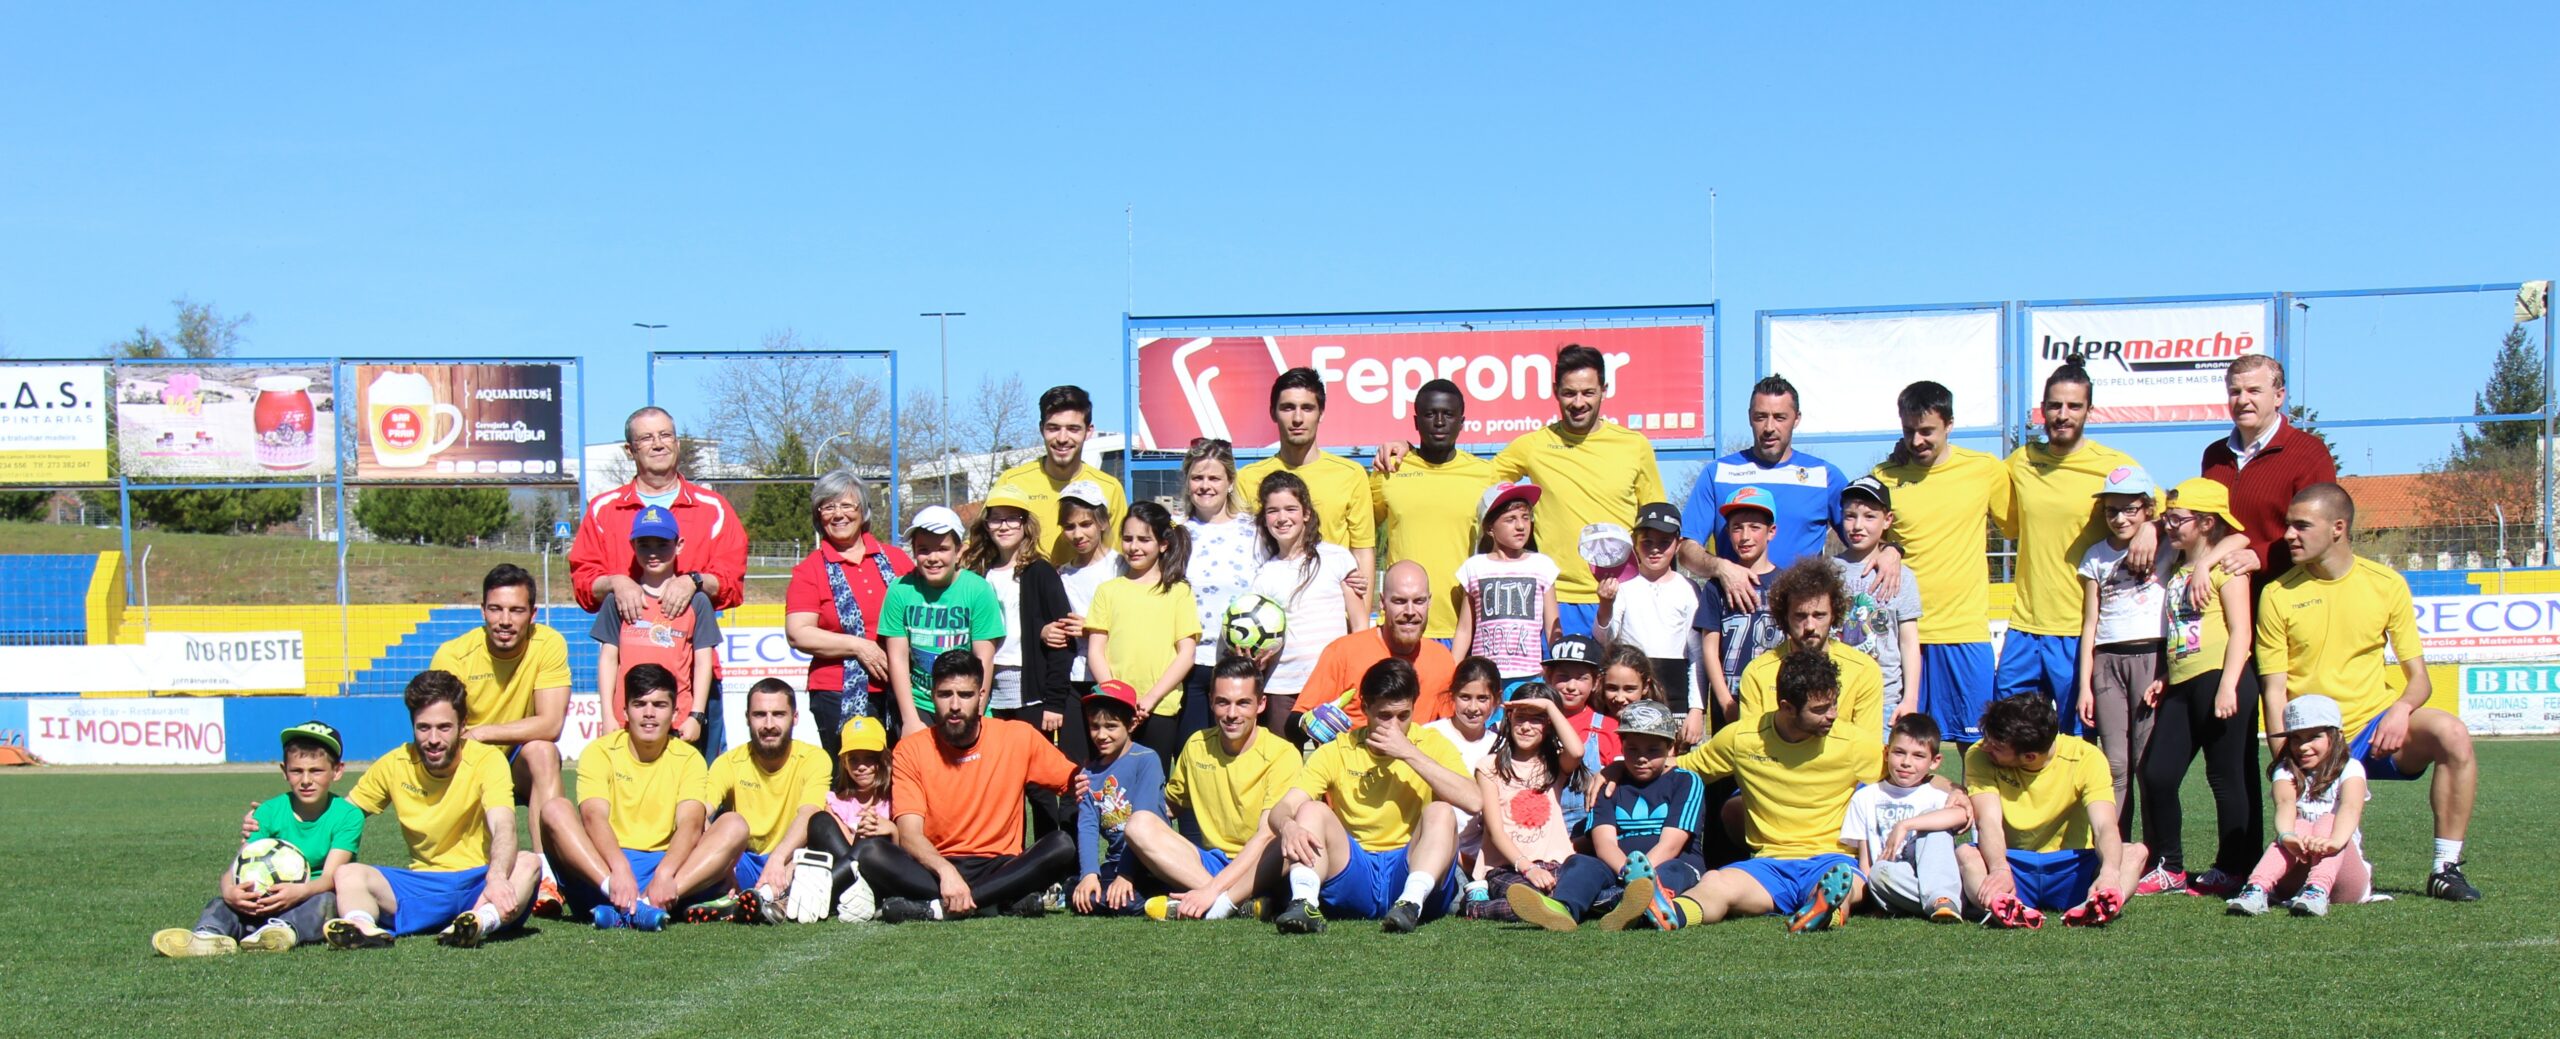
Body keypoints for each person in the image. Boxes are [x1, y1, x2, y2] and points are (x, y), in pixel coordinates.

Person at [2255, 483, 2480, 901]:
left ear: (2338, 528)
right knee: (2307, 852)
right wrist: (2284, 761)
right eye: (2288, 525)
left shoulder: (2386, 583)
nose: (2288, 535)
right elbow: (2274, 690)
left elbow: (2420, 680)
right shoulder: (2276, 593)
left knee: (2452, 734)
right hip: (2314, 739)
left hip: (2374, 728)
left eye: (2301, 526)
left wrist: (2401, 710)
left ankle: (2445, 869)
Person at [1374, 345, 1665, 637]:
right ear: (1555, 391)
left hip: (1624, 592)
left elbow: (1657, 527)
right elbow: (1461, 477)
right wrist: (1409, 448)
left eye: (1588, 392)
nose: (1578, 402)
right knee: (1560, 684)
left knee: (1627, 683)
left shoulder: (1635, 446)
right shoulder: (1532, 446)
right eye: (1569, 393)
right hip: (1555, 599)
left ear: (1604, 390)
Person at [1647, 652, 1881, 932]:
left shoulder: (1853, 742)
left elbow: (1913, 773)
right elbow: (1683, 769)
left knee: (1842, 887)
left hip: (1832, 860)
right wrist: (1614, 770)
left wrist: (1950, 791)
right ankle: (1673, 913)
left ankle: (1823, 911)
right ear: (1787, 707)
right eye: (1820, 709)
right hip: (1767, 867)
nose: (1832, 715)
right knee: (1715, 883)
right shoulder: (1743, 738)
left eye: (1833, 704)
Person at [856, 651, 1084, 922]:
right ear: (932, 695)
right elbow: (909, 835)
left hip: (1001, 866)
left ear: (981, 696)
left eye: (965, 695)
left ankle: (938, 909)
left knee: (1061, 845)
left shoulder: (1017, 736)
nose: (955, 705)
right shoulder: (910, 749)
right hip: (935, 866)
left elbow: (1076, 781)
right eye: (945, 694)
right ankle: (996, 901)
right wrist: (946, 872)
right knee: (871, 853)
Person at [324, 671, 542, 949]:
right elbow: (342, 816)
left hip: (481, 882)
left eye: (444, 727)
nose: (433, 738)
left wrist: (497, 877)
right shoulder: (394, 764)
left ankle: (479, 921)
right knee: (348, 874)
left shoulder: (487, 760)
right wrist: (271, 821)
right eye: (423, 728)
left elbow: (503, 824)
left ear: (463, 726)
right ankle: (360, 926)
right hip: (422, 886)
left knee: (528, 863)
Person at [570, 406, 748, 748]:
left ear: (677, 442)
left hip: (693, 682)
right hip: (629, 685)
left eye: (665, 435)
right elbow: (583, 583)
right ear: (630, 450)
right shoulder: (603, 510)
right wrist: (615, 581)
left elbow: (732, 583)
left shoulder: (713, 508)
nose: (658, 444)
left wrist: (693, 580)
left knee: (699, 788)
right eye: (646, 437)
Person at [1266, 658, 1481, 934]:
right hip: (1356, 871)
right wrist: (1288, 827)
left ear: (1414, 707)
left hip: (1409, 867)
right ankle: (1304, 903)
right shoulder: (1338, 750)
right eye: (1384, 716)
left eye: (1403, 716)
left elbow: (1474, 801)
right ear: (1365, 708)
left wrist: (1408, 752)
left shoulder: (1429, 744)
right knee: (1309, 811)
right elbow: (1283, 807)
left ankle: (1410, 904)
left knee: (1441, 811)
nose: (1394, 726)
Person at [2135, 478, 2262, 897]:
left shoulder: (2231, 567)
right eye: (2167, 517)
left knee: (2226, 778)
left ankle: (2234, 868)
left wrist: (2228, 686)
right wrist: (2165, 676)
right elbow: (2183, 628)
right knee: (2156, 773)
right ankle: (2169, 866)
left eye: (2178, 519)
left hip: (2222, 680)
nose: (2169, 526)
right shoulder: (2179, 565)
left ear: (2207, 523)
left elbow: (2242, 632)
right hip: (2182, 682)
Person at [1871, 380, 2014, 750]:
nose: (1916, 441)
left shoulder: (1984, 470)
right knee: (1901, 750)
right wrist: (1890, 546)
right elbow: (1866, 537)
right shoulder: (1885, 476)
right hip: (1903, 636)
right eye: (1908, 431)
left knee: (1981, 749)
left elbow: (2020, 525)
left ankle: (1979, 811)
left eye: (1926, 431)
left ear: (1949, 424)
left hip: (1964, 633)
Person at [1998, 362, 2138, 736]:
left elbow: (2155, 512)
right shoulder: (2021, 462)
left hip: (2081, 628)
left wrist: (2150, 532)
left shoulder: (2113, 466)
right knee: (2011, 733)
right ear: (2042, 410)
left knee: (2080, 741)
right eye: (2055, 406)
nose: (2063, 415)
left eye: (2074, 406)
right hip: (2024, 626)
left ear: (2089, 411)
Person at [156, 722, 361, 956]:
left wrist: (299, 892)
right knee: (220, 903)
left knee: (327, 900)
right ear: (284, 771)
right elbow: (237, 865)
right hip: (261, 899)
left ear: (337, 771)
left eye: (316, 771)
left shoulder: (347, 815)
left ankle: (282, 932)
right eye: (297, 771)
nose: (305, 780)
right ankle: (207, 936)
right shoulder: (268, 811)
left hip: (307, 899)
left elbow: (329, 877)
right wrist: (229, 891)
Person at [429, 564, 570, 905]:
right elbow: (440, 731)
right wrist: (474, 745)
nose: (505, 620)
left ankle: (547, 876)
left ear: (532, 614)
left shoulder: (549, 643)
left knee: (543, 751)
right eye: (496, 609)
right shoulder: (453, 655)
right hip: (470, 763)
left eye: (516, 610)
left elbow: (550, 724)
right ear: (483, 611)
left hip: (512, 758)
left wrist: (482, 732)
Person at [541, 664, 717, 929]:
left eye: (659, 705)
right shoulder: (599, 751)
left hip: (664, 874)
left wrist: (666, 874)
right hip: (603, 868)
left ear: (675, 712)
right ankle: (629, 901)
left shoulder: (690, 758)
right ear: (624, 711)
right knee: (554, 809)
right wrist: (618, 872)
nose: (649, 714)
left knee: (733, 825)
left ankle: (638, 906)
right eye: (639, 704)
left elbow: (691, 823)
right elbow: (593, 816)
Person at [1131, 658, 1299, 922]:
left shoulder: (1282, 754)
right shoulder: (1197, 745)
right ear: (1211, 701)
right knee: (1139, 823)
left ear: (1261, 704)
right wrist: (1116, 800)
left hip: (1261, 865)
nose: (1232, 714)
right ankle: (1235, 904)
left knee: (1282, 841)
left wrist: (1212, 889)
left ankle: (1217, 899)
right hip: (1212, 864)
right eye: (1223, 702)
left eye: (1243, 703)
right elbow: (1168, 807)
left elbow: (1267, 835)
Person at [1678, 374, 1857, 611]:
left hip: (1802, 618)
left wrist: (1890, 552)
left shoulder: (1824, 476)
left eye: (1780, 417)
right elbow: (1686, 550)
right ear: (1750, 418)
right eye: (1761, 417)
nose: (1769, 428)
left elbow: (1864, 538)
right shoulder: (1718, 473)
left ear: (1797, 419)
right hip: (1739, 614)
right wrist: (1721, 568)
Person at [1962, 693, 2141, 928]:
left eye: (1996, 746)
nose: (1985, 747)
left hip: (2072, 866)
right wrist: (1998, 868)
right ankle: (2003, 904)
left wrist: (2109, 872)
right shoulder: (1978, 755)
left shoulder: (2086, 757)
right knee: (1965, 853)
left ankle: (2099, 901)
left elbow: (2105, 825)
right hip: (2013, 865)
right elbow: (1989, 821)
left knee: (2135, 853)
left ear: (2029, 757)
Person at [671, 678, 828, 924]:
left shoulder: (814, 759)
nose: (768, 724)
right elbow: (699, 813)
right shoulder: (728, 762)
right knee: (710, 832)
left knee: (818, 850)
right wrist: (724, 863)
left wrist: (777, 859)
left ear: (794, 718)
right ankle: (760, 901)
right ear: (747, 718)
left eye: (778, 714)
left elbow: (809, 813)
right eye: (759, 715)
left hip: (789, 861)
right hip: (742, 863)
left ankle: (749, 900)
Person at [785, 470, 915, 759]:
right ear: (818, 516)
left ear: (863, 511)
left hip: (903, 688)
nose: (838, 514)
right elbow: (798, 632)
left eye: (847, 505)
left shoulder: (896, 560)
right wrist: (859, 646)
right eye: (828, 507)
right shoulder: (810, 570)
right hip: (836, 691)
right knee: (852, 776)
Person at [2074, 464, 2166, 836]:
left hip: (2151, 655)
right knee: (2115, 763)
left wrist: (2153, 529)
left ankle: (2155, 853)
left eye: (2130, 509)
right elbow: (2090, 623)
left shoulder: (2165, 544)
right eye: (2112, 510)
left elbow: (2226, 535)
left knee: (2148, 762)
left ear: (2147, 509)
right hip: (2107, 661)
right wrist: (2084, 686)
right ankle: (2116, 847)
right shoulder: (2095, 555)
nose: (2120, 518)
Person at [1371, 378, 1496, 642]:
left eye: (1448, 414)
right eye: (1430, 414)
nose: (1439, 422)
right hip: (1400, 625)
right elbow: (1361, 539)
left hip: (1462, 628)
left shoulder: (1486, 475)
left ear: (1462, 422)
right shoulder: (1389, 470)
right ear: (1416, 422)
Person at [2224, 695, 2372, 917]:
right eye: (2296, 738)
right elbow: (2285, 805)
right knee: (2298, 825)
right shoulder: (2285, 770)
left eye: (2314, 737)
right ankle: (2255, 889)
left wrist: (2333, 842)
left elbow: (2350, 807)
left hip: (2343, 880)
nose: (2303, 747)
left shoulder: (2351, 768)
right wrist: (2287, 836)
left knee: (2327, 820)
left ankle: (2317, 890)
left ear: (2336, 736)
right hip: (2295, 875)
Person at [2198, 355, 2335, 593]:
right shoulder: (2214, 456)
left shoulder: (2309, 453)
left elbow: (2320, 530)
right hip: (2221, 600)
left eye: (2254, 391)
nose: (2243, 400)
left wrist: (2260, 556)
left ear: (2279, 396)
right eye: (2235, 391)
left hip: (2289, 595)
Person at [1247, 469, 1368, 729]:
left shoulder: (1337, 558)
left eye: (1290, 508)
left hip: (1333, 687)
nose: (1282, 518)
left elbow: (1360, 627)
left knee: (1333, 766)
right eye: (1272, 511)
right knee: (1285, 766)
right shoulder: (1264, 575)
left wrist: (1355, 676)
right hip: (1283, 687)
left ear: (1306, 514)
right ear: (1264, 519)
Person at [591, 506, 718, 743]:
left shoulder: (697, 601)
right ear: (633, 546)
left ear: (679, 545)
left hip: (677, 724)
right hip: (625, 722)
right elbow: (608, 659)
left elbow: (703, 662)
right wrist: (607, 715)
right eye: (644, 544)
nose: (653, 552)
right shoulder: (618, 599)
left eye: (662, 544)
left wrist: (696, 716)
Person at [1237, 367, 1377, 581]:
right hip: (1270, 606)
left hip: (1331, 608)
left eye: (1308, 408)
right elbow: (1243, 552)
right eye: (1287, 408)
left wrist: (1360, 614)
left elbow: (1363, 552)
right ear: (1272, 413)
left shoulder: (1351, 475)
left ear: (1321, 413)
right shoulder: (1247, 479)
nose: (1297, 418)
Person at [1087, 501, 1202, 761]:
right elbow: (1096, 650)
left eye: (1144, 539)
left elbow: (1186, 654)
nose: (1134, 547)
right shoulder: (1108, 591)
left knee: (1152, 787)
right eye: (1127, 539)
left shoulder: (1178, 592)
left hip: (1160, 708)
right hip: (1115, 709)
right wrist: (1115, 697)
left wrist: (1150, 699)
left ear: (1163, 544)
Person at [965, 484, 1074, 753]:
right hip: (989, 687)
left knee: (1037, 782)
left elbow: (1062, 640)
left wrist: (1055, 703)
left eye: (1012, 518)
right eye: (996, 518)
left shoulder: (1040, 572)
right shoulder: (979, 573)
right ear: (986, 524)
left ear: (1026, 524)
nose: (1004, 526)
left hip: (1030, 692)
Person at [879, 505, 1004, 738]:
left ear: (959, 552)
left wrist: (975, 713)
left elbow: (984, 659)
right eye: (924, 550)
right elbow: (897, 658)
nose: (933, 558)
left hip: (965, 703)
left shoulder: (978, 590)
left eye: (943, 549)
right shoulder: (899, 590)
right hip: (921, 704)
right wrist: (909, 719)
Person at [1581, 700, 1707, 927]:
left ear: (1671, 749)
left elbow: (1671, 845)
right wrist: (1627, 875)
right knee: (1580, 864)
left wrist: (1640, 878)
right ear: (1621, 746)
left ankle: (1644, 902)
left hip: (1672, 863)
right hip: (1618, 871)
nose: (1641, 757)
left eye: (1653, 750)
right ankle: (1563, 907)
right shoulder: (1608, 784)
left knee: (1674, 869)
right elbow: (1604, 844)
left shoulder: (1686, 781)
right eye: (1632, 749)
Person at [1731, 557, 1886, 739]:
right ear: (1785, 617)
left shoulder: (1864, 671)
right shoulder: (1757, 673)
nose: (1810, 626)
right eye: (1800, 616)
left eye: (1819, 615)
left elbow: (1866, 748)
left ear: (1834, 615)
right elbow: (1752, 744)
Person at [1298, 561, 1460, 728]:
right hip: (1354, 751)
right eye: (1399, 601)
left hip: (1416, 752)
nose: (1410, 612)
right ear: (1383, 602)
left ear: (1429, 602)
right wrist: (1310, 724)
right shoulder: (1343, 652)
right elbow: (1298, 719)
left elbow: (1452, 729)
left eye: (1419, 601)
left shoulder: (1442, 660)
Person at [1178, 437, 1267, 736]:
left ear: (1230, 481)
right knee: (1193, 755)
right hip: (1189, 667)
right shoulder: (1175, 533)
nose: (1205, 485)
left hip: (1241, 665)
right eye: (1197, 477)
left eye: (1214, 477)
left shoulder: (1254, 531)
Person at [1840, 714, 1968, 921]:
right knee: (1878, 872)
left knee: (1934, 821)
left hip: (1936, 876)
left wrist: (1906, 825)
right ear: (1886, 752)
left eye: (1918, 756)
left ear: (1935, 762)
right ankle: (1946, 903)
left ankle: (1943, 898)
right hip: (1895, 881)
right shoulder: (1865, 797)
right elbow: (1866, 860)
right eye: (1899, 753)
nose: (1906, 762)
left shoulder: (1937, 796)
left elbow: (1962, 814)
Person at [1598, 501, 1702, 742]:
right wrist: (1605, 605)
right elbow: (1606, 640)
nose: (1655, 550)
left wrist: (1696, 709)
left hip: (1674, 697)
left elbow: (1697, 655)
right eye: (1647, 542)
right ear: (1635, 544)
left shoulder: (1688, 590)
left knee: (1669, 762)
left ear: (1677, 545)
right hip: (1630, 696)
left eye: (1664, 543)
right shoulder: (1622, 588)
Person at [991, 384, 1129, 563]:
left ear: (1089, 431)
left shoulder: (1109, 488)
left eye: (1073, 429)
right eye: (1053, 428)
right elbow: (982, 544)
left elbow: (1119, 558)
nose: (1062, 438)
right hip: (1026, 590)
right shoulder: (1012, 482)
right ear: (1042, 429)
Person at [1831, 476, 1924, 728]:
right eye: (1850, 516)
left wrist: (1910, 700)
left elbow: (1908, 641)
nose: (1858, 526)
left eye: (1869, 517)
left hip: (1884, 701)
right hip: (1835, 702)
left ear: (1888, 520)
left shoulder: (1902, 576)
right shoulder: (1828, 570)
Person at [1453, 480, 1560, 689]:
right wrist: (1453, 672)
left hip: (1529, 675)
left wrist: (1556, 669)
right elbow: (1465, 629)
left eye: (1525, 518)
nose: (1521, 526)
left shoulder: (1542, 565)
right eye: (1510, 519)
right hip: (1484, 676)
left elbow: (1552, 628)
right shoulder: (1475, 567)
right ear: (1489, 527)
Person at [1072, 681, 1166, 915]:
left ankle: (1161, 899)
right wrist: (1089, 875)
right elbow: (1088, 825)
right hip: (1115, 864)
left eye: (1111, 727)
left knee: (1122, 901)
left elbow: (1145, 817)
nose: (1101, 735)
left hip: (1151, 862)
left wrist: (1126, 875)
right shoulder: (1088, 774)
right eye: (1095, 726)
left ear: (1132, 724)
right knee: (1084, 897)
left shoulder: (1146, 760)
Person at [1695, 487, 1784, 725]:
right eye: (1737, 527)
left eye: (1754, 527)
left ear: (1771, 532)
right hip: (1730, 701)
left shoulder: (1788, 585)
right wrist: (1726, 703)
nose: (1745, 536)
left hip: (1776, 702)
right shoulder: (1715, 587)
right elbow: (1710, 651)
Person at [796, 715, 896, 923]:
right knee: (820, 821)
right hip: (848, 877)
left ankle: (816, 895)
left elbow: (904, 858)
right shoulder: (834, 803)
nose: (861, 767)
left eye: (869, 758)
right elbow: (842, 852)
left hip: (882, 878)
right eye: (854, 759)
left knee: (875, 844)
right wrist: (859, 838)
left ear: (883, 759)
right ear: (844, 762)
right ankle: (853, 893)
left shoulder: (895, 800)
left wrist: (891, 830)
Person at [1424, 656, 1502, 899]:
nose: (1473, 708)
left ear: (1496, 700)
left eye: (1482, 698)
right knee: (1454, 901)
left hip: (1481, 854)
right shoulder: (1430, 735)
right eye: (1465, 697)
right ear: (1452, 696)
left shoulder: (1499, 746)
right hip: (1435, 846)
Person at [1050, 480, 1123, 715]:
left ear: (1102, 522)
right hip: (1076, 676)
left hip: (1116, 675)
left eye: (1085, 524)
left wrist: (1092, 628)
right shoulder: (1062, 575)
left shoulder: (1120, 566)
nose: (1078, 534)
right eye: (1069, 527)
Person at [1541, 634, 1616, 776]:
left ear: (1596, 682)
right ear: (1549, 677)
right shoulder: (1536, 722)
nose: (1571, 686)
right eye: (1563, 676)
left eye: (1582, 678)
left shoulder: (1609, 728)